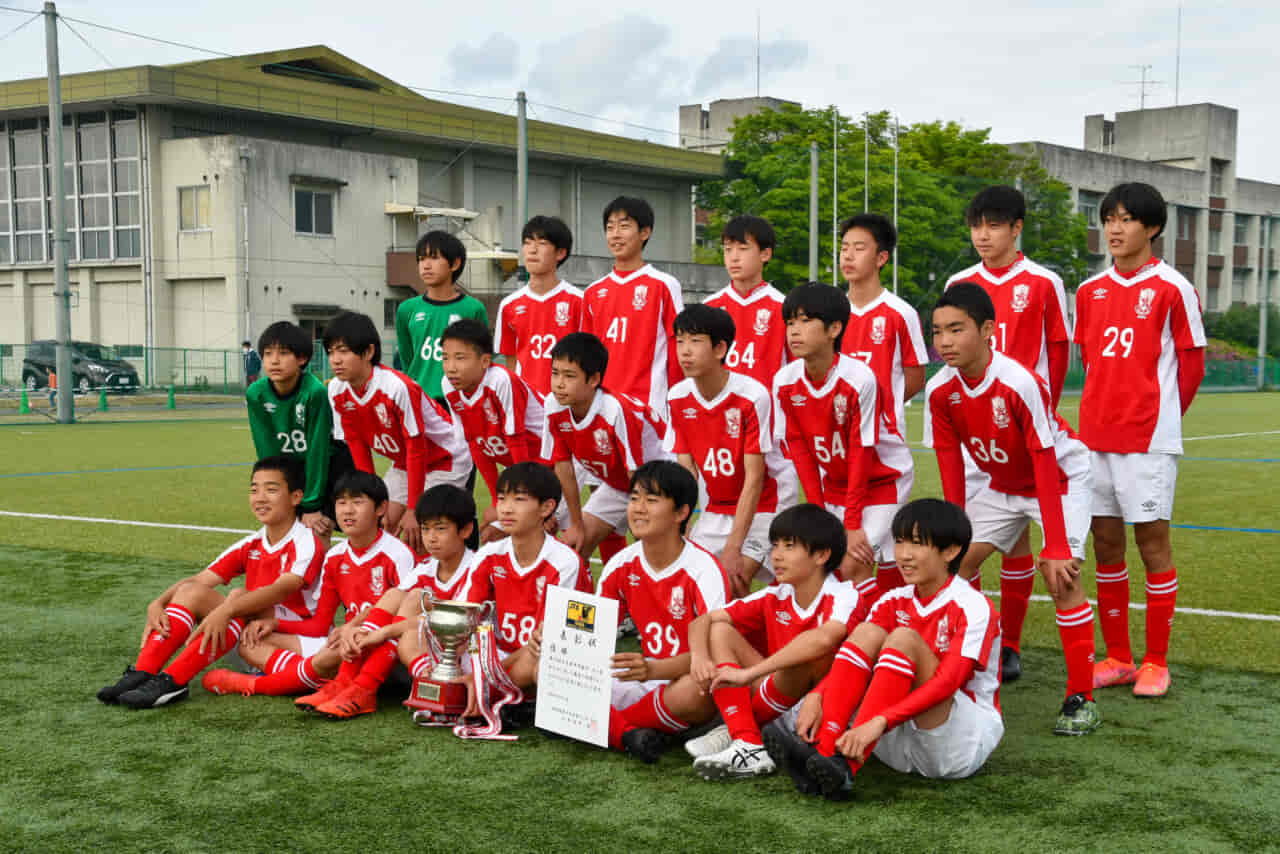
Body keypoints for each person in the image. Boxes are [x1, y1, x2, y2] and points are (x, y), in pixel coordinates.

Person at [924, 283, 1099, 735]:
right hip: (1003, 485)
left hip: (1060, 481)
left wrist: (1057, 544)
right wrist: (952, 534)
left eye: (956, 329)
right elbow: (951, 466)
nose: (945, 341)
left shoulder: (1018, 382)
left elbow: (1044, 458)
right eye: (938, 331)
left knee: (1061, 575)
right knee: (950, 568)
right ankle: (965, 672)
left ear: (987, 330)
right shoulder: (941, 391)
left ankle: (1082, 696)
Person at [1075, 182, 1205, 698]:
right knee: (1105, 545)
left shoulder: (1174, 288)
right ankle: (1118, 657)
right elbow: (1089, 360)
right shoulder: (1088, 292)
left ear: (1151, 227)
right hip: (1094, 439)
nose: (1114, 228)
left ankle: (1154, 661)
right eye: (1109, 218)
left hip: (1148, 440)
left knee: (1152, 543)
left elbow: (1191, 366)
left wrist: (1159, 419)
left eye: (1127, 219)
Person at [945, 185, 1073, 680]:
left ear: (1017, 228)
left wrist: (1043, 409)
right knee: (967, 543)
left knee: (1018, 541)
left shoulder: (1042, 282)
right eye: (977, 225)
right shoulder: (960, 282)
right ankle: (979, 638)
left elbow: (1058, 349)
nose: (983, 235)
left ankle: (1009, 644)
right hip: (975, 431)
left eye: (994, 225)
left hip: (1022, 431)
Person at [795, 499, 1003, 800]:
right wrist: (817, 695)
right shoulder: (893, 599)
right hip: (892, 741)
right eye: (900, 542)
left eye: (916, 544)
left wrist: (879, 721)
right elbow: (854, 661)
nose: (903, 555)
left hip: (955, 743)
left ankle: (844, 767)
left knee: (903, 638)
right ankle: (825, 752)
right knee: (868, 632)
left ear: (951, 551)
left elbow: (948, 683)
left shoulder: (973, 606)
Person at [97, 457, 325, 709]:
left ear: (295, 497)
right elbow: (198, 581)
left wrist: (228, 609)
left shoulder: (306, 541)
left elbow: (281, 589)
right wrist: (158, 602)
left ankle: (173, 680)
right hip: (247, 636)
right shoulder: (251, 544)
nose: (260, 498)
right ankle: (143, 673)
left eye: (271, 490)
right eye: (254, 490)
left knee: (238, 596)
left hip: (286, 640)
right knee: (191, 592)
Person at [199, 470, 415, 716]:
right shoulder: (334, 556)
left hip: (384, 648)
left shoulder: (398, 554)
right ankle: (320, 679)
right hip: (346, 646)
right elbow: (320, 626)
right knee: (252, 643)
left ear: (380, 509)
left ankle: (254, 684)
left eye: (357, 502)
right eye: (341, 503)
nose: (347, 511)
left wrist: (354, 628)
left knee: (329, 656)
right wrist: (274, 623)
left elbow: (404, 615)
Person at [679, 504, 864, 781]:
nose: (776, 555)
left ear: (822, 555)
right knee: (719, 628)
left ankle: (738, 729)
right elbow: (701, 621)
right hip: (779, 696)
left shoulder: (844, 595)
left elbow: (826, 639)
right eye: (775, 545)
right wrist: (699, 657)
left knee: (809, 653)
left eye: (789, 546)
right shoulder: (775, 594)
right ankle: (748, 740)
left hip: (822, 707)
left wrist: (749, 674)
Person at [595, 461, 731, 762]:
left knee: (700, 689)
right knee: (551, 669)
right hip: (643, 678)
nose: (639, 508)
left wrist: (654, 670)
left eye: (651, 500)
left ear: (681, 513)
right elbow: (595, 633)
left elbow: (714, 654)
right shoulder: (620, 564)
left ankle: (611, 727)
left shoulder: (703, 569)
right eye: (634, 498)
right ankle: (637, 730)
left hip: (682, 681)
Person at [772, 283, 895, 603]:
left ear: (834, 328)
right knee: (819, 559)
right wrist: (817, 515)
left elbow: (861, 453)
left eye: (805, 321)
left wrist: (852, 524)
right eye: (790, 323)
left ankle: (866, 642)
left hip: (882, 482)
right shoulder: (784, 381)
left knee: (853, 561)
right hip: (835, 484)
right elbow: (800, 451)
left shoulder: (859, 379)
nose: (794, 331)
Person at [666, 304, 796, 596]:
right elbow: (687, 471)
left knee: (732, 578)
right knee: (691, 580)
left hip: (765, 503)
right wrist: (683, 526)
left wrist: (734, 548)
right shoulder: (677, 397)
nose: (685, 351)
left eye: (696, 341)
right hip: (717, 506)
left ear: (720, 348)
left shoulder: (752, 396)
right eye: (680, 341)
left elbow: (755, 478)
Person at [319, 484, 481, 713]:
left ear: (465, 530)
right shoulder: (427, 566)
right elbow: (391, 601)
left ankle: (365, 686)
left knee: (407, 621)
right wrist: (355, 627)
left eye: (440, 529)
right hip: (428, 652)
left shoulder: (477, 566)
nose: (431, 538)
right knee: (398, 596)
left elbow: (451, 621)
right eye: (425, 529)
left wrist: (381, 633)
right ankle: (345, 682)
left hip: (467, 655)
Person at [324, 311, 471, 554]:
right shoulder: (336, 391)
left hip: (445, 459)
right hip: (404, 464)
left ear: (368, 352)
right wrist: (368, 500)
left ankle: (432, 586)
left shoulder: (397, 387)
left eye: (344, 351)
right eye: (331, 352)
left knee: (420, 536)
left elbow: (417, 449)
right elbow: (357, 444)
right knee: (381, 525)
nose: (335, 359)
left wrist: (413, 509)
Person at [836, 214, 924, 595]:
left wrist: (879, 413)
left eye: (859, 248)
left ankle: (874, 634)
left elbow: (915, 376)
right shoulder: (829, 312)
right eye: (844, 248)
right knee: (865, 552)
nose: (848, 256)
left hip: (884, 453)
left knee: (860, 552)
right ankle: (883, 624)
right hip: (837, 454)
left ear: (882, 258)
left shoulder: (900, 313)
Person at [461, 462, 590, 720]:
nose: (506, 508)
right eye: (501, 499)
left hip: (537, 656)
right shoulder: (488, 554)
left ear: (547, 507)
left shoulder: (564, 562)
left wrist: (486, 672)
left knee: (541, 664)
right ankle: (502, 697)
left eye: (519, 499)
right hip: (499, 656)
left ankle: (490, 694)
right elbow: (466, 615)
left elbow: (547, 641)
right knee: (419, 636)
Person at [542, 332, 669, 563]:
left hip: (657, 483)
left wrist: (641, 520)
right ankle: (593, 599)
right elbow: (563, 467)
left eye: (569, 376)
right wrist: (576, 524)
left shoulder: (614, 411)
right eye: (555, 373)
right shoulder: (553, 405)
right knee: (573, 549)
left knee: (653, 558)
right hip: (619, 483)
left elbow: (637, 473)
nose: (559, 383)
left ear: (593, 380)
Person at [440, 318, 546, 543]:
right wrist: (497, 501)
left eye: (460, 358)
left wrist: (520, 498)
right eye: (445, 358)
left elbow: (516, 441)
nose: (451, 367)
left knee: (566, 538)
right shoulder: (448, 385)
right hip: (524, 469)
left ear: (485, 361)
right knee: (490, 538)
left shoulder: (501, 381)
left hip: (549, 466)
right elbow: (475, 443)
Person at [245, 321, 352, 542]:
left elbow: (317, 449)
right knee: (284, 534)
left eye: (283, 353)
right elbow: (266, 449)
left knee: (317, 532)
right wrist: (276, 488)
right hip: (291, 469)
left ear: (301, 358)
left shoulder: (314, 392)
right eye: (267, 354)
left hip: (328, 469)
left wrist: (311, 504)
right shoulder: (256, 393)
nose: (274, 360)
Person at [581, 196, 684, 415]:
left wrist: (678, 402)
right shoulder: (592, 293)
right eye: (610, 227)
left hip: (650, 409)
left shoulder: (664, 285)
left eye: (624, 226)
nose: (615, 234)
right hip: (602, 407)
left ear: (644, 233)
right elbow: (586, 354)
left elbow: (678, 348)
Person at [395, 230, 489, 406]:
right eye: (421, 259)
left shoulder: (473, 309)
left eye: (434, 258)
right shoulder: (406, 309)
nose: (426, 265)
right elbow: (407, 360)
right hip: (420, 401)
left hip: (462, 403)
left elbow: (483, 360)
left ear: (454, 263)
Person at [494, 216, 584, 398]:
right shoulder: (509, 305)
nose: (532, 250)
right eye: (527, 243)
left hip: (567, 401)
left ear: (560, 253)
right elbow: (510, 359)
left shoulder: (579, 301)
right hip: (525, 402)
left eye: (542, 243)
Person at [702, 215, 789, 388]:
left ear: (765, 254)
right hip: (719, 410)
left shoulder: (784, 308)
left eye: (742, 248)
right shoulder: (708, 308)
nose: (734, 257)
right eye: (728, 249)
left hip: (766, 412)